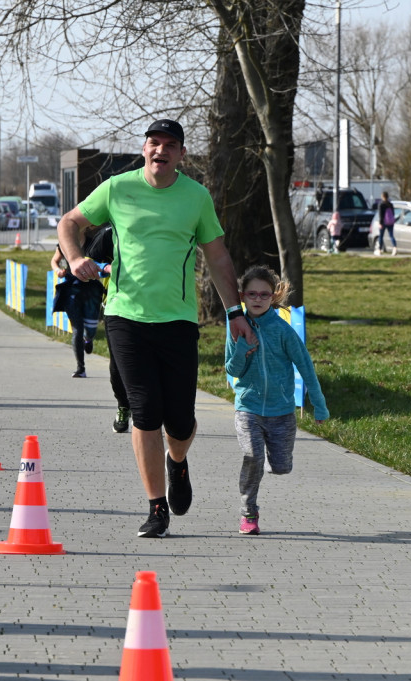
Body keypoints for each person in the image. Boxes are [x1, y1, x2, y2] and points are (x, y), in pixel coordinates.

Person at [56, 118, 255, 538]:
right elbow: (69, 224)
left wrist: (235, 311)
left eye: (169, 145)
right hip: (126, 317)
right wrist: (75, 260)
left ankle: (177, 463)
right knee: (145, 412)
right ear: (143, 149)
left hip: (179, 321)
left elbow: (218, 258)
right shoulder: (118, 188)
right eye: (153, 143)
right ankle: (156, 507)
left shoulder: (196, 197)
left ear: (181, 154)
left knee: (180, 422)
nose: (160, 150)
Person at [224, 266, 329, 535]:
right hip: (248, 407)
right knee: (252, 456)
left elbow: (305, 365)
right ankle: (249, 512)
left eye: (264, 294)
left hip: (281, 410)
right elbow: (232, 370)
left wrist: (318, 403)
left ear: (274, 296)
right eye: (252, 294)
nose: (258, 299)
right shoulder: (236, 326)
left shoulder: (282, 330)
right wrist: (243, 351)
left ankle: (272, 459)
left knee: (281, 467)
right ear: (242, 296)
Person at [50, 241, 104, 378]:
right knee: (77, 328)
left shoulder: (95, 239)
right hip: (72, 289)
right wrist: (58, 270)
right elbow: (54, 261)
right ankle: (81, 368)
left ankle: (88, 338)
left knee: (90, 329)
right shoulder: (64, 242)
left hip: (91, 289)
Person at [375, 191, 396, 255]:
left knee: (381, 236)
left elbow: (381, 215)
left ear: (382, 196)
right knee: (391, 235)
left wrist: (380, 223)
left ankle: (379, 250)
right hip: (390, 222)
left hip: (383, 222)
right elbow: (393, 213)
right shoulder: (390, 204)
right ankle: (394, 248)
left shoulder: (381, 204)